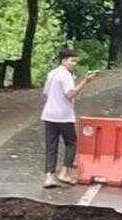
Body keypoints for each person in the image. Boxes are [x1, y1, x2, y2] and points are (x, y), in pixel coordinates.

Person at [41, 48, 98, 189]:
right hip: (63, 116)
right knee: (71, 142)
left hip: (49, 114)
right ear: (64, 60)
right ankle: (64, 173)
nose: (74, 64)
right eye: (72, 61)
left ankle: (49, 177)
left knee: (51, 146)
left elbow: (45, 92)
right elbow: (70, 94)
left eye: (75, 61)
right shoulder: (65, 75)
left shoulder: (52, 73)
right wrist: (85, 81)